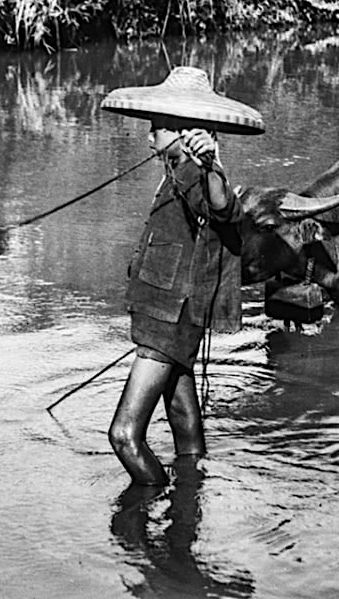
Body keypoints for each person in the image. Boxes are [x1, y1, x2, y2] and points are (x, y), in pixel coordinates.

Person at [100, 66, 262, 486]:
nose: (149, 136)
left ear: (176, 129)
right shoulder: (175, 168)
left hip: (167, 320)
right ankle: (189, 507)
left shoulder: (192, 170)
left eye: (156, 127)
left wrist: (211, 165)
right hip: (174, 314)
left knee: (124, 436)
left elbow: (225, 210)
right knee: (184, 421)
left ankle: (150, 502)